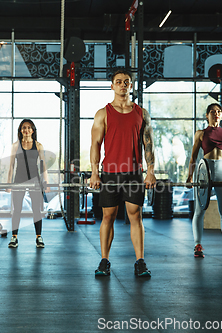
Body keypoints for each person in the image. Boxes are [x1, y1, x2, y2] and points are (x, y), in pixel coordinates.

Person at [89, 69, 156, 277]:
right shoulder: (103, 113)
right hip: (110, 172)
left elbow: (149, 144)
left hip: (134, 173)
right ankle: (104, 261)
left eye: (127, 82)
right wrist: (94, 172)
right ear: (112, 86)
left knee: (135, 216)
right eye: (118, 82)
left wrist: (150, 171)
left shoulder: (141, 113)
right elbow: (95, 144)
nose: (123, 85)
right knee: (108, 216)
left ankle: (140, 262)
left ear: (131, 85)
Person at [186, 103, 222, 258]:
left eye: (219, 111)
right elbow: (193, 157)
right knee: (199, 211)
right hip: (205, 172)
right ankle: (197, 245)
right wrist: (189, 177)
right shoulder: (200, 133)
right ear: (207, 115)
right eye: (212, 112)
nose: (216, 114)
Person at [6, 119, 50, 248]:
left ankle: (39, 237)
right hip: (19, 179)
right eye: (24, 127)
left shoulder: (39, 145)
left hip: (35, 180)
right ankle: (14, 237)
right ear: (20, 130)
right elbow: (11, 166)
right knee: (17, 210)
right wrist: (9, 184)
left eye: (29, 128)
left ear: (33, 130)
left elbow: (43, 166)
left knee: (37, 210)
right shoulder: (15, 145)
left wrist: (45, 183)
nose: (26, 130)